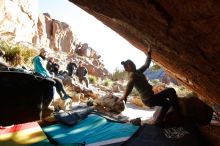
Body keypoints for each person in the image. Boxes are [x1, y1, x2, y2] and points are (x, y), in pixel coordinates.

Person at [120, 48, 181, 125]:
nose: (133, 64)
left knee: (167, 104)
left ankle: (159, 120)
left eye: (133, 63)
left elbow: (146, 65)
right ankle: (179, 115)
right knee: (171, 91)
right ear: (127, 69)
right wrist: (125, 96)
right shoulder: (132, 74)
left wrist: (149, 54)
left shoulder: (138, 71)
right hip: (149, 99)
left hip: (149, 98)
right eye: (131, 64)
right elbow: (130, 85)